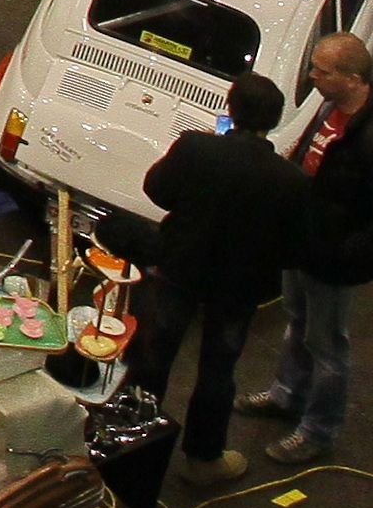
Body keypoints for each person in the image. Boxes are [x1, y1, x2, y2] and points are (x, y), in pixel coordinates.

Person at [122, 65, 309, 475]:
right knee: (218, 371)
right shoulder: (290, 180)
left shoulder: (195, 148)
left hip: (178, 268)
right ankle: (204, 458)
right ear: (274, 121)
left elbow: (157, 189)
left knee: (152, 356)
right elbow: (294, 245)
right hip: (237, 288)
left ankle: (129, 447)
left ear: (231, 108)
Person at [244, 31, 373, 470]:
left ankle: (318, 430)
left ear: (353, 79)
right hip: (305, 247)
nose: (311, 75)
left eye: (322, 70)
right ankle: (287, 394)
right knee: (298, 324)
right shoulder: (331, 107)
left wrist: (344, 254)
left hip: (332, 262)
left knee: (328, 347)